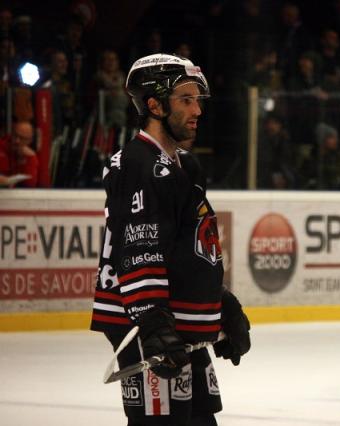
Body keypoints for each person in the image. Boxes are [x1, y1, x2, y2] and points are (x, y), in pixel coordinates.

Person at [90, 53, 251, 426]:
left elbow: (186, 248)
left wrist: (219, 305)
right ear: (154, 104)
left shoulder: (184, 165)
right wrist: (153, 323)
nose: (197, 110)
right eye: (185, 99)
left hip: (176, 324)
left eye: (197, 100)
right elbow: (138, 246)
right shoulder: (137, 163)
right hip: (149, 326)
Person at [0, 120, 39, 187]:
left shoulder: (30, 156)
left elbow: (30, 185)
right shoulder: (1, 146)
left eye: (22, 138)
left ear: (29, 140)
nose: (17, 141)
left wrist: (24, 160)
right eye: (16, 136)